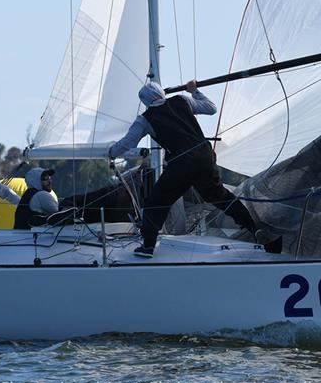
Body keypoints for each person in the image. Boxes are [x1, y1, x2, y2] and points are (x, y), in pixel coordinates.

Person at [109, 80, 278, 258]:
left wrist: (111, 152)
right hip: (205, 156)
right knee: (219, 196)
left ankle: (148, 246)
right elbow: (211, 108)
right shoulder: (182, 100)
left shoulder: (145, 119)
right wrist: (195, 91)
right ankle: (253, 226)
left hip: (182, 163)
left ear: (145, 102)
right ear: (162, 93)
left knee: (157, 201)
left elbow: (127, 144)